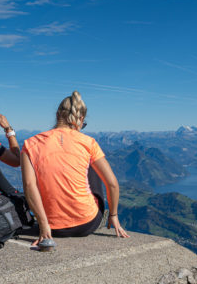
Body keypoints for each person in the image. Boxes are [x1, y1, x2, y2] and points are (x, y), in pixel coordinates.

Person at [21, 91, 129, 244]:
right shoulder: (88, 142)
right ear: (81, 119)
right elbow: (112, 183)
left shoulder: (30, 144)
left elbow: (29, 186)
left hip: (52, 227)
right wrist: (113, 216)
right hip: (87, 223)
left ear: (58, 114)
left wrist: (44, 226)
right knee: (91, 164)